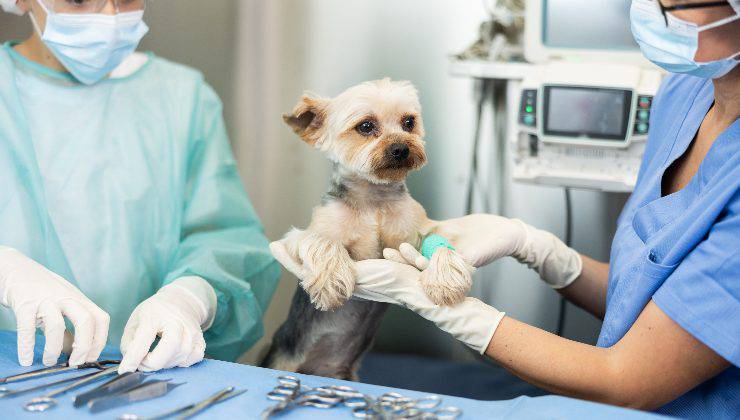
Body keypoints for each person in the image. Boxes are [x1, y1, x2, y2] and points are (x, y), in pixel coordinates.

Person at [272, 0, 739, 417]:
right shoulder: (686, 90)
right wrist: (540, 248)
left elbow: (631, 383)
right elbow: (644, 296)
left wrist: (459, 311)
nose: (656, 8)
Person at [0, 0, 279, 373]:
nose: (111, 19)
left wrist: (190, 297)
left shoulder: (182, 97)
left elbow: (225, 236)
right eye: (81, 0)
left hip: (142, 371)